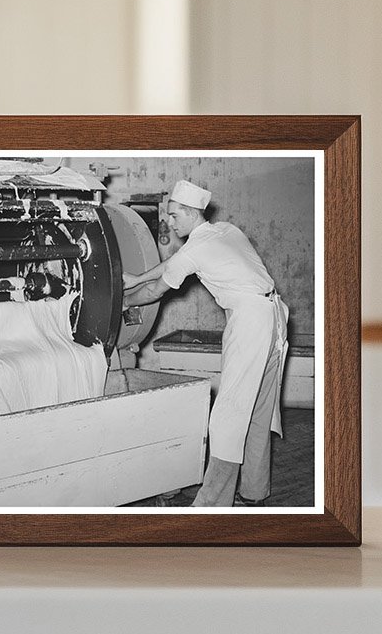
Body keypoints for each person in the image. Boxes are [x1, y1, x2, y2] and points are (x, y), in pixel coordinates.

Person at [122, 180, 289, 508]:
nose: (169, 221)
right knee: (258, 408)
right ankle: (254, 493)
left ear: (187, 212)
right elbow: (172, 265)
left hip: (251, 322)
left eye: (173, 215)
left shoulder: (195, 248)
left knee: (228, 415)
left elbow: (158, 290)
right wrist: (138, 278)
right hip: (274, 316)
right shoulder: (225, 230)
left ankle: (211, 506)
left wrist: (124, 300)